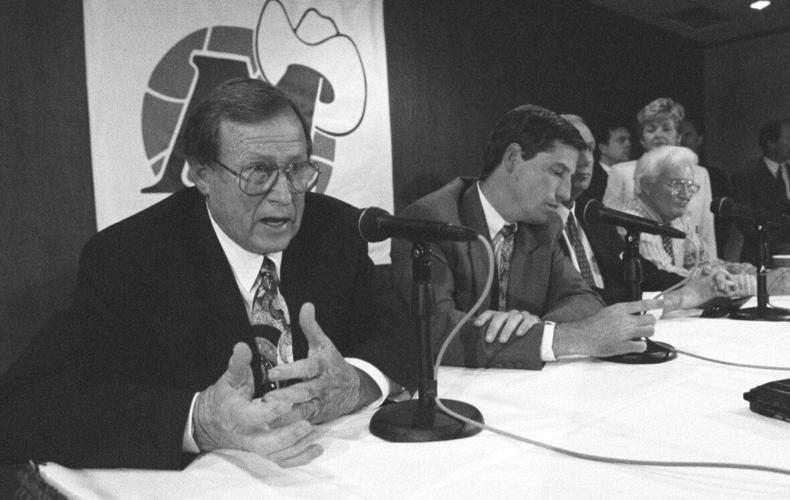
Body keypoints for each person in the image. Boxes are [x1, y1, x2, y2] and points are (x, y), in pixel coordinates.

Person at [0, 79, 416, 470]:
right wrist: (197, 420)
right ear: (202, 174)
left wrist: (359, 382)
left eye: (296, 169)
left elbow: (401, 335)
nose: (285, 195)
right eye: (258, 172)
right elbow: (27, 405)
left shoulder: (335, 230)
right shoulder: (129, 258)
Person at [391, 105, 729, 371]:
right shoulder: (431, 218)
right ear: (513, 158)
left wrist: (533, 323)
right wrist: (570, 337)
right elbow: (433, 333)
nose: (566, 192)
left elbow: (584, 300)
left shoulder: (542, 225)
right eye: (556, 172)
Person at [558, 115, 696, 305]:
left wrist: (695, 284)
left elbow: (644, 274)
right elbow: (576, 295)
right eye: (576, 149)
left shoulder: (591, 213)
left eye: (589, 148)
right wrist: (677, 299)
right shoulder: (538, 224)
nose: (586, 159)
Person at [620, 145, 755, 293]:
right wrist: (742, 282)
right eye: (677, 184)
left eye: (690, 185)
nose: (686, 194)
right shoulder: (633, 222)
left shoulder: (678, 219)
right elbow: (666, 275)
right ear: (647, 186)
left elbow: (702, 263)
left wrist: (749, 271)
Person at [602, 98, 716, 260]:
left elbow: (707, 233)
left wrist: (711, 272)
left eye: (666, 129)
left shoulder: (700, 174)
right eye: (651, 130)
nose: (659, 135)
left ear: (678, 137)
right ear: (642, 140)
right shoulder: (622, 173)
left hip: (692, 270)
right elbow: (609, 230)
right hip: (642, 268)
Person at [729, 118, 790, 266]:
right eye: (788, 138)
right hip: (760, 259)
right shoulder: (747, 174)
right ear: (771, 143)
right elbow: (744, 220)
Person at [678, 119, 732, 255]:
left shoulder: (712, 176)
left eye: (688, 135)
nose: (683, 141)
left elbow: (723, 220)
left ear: (699, 139)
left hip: (708, 250)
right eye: (679, 136)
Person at [588, 117, 632, 201]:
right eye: (621, 140)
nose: (628, 144)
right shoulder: (591, 179)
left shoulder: (633, 175)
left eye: (629, 139)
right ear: (603, 148)